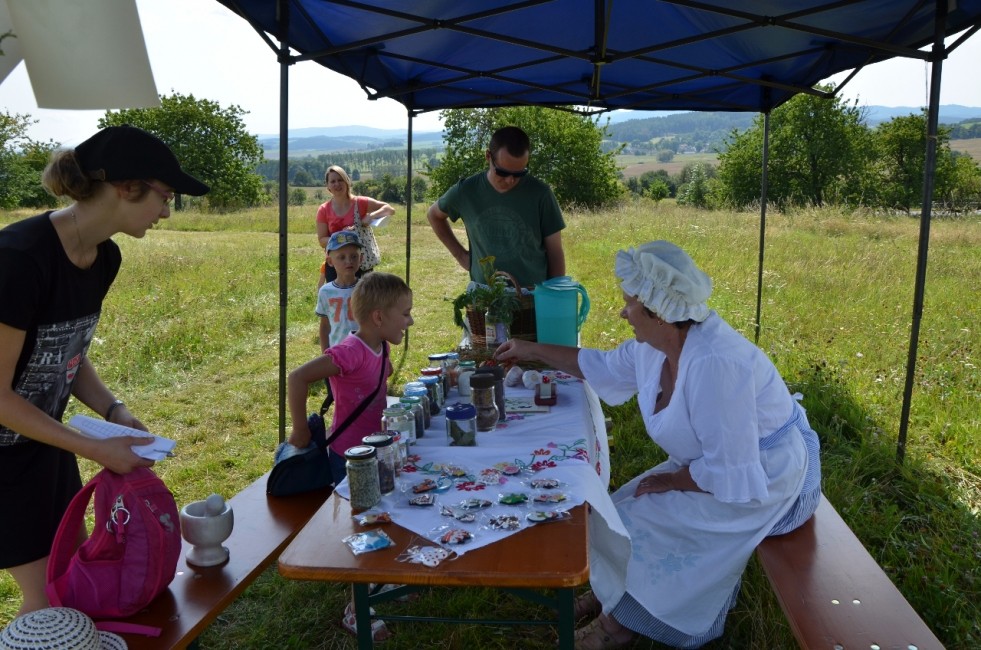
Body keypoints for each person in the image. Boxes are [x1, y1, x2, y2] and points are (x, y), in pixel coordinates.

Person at [495, 240, 821, 649]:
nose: (623, 312)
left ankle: (616, 627)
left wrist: (671, 481)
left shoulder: (715, 364)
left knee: (645, 528)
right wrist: (530, 349)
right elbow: (599, 365)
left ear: (660, 312)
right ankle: (610, 595)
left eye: (629, 304)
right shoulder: (655, 348)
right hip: (717, 468)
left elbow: (728, 469)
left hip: (768, 479)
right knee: (618, 512)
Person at [0, 124, 210, 616]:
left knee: (69, 582)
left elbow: (64, 352)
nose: (165, 212)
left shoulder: (103, 258)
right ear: (126, 187)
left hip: (44, 440)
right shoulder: (18, 260)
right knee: (48, 601)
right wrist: (96, 448)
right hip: (4, 458)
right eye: (165, 197)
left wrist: (114, 411)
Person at [287, 272, 413, 483]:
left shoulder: (382, 344)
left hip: (376, 446)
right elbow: (297, 377)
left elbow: (382, 372)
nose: (411, 321)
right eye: (406, 313)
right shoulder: (350, 352)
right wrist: (300, 430)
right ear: (379, 318)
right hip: (351, 456)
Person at [426, 125, 566, 288]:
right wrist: (460, 255)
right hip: (485, 295)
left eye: (519, 173)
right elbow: (434, 215)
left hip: (533, 295)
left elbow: (555, 253)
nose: (510, 180)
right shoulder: (466, 191)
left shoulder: (541, 194)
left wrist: (555, 293)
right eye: (503, 172)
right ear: (488, 156)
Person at [315, 165, 394, 288]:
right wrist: (342, 236)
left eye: (340, 180)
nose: (337, 184)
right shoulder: (323, 209)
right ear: (328, 186)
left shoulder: (360, 203)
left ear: (347, 181)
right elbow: (322, 240)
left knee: (364, 298)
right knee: (338, 298)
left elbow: (389, 209)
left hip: (360, 263)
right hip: (335, 265)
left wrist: (371, 216)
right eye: (333, 181)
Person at [317, 231, 363, 352]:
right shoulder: (326, 292)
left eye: (354, 256)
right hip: (337, 352)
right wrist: (326, 353)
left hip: (363, 351)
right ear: (330, 261)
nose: (349, 261)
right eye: (342, 257)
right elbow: (325, 326)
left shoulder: (366, 288)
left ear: (361, 258)